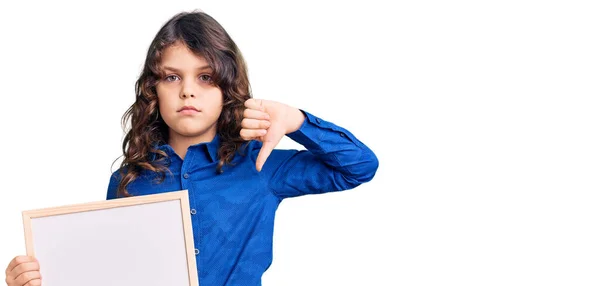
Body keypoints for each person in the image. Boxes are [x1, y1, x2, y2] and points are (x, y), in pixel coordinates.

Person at [4, 10, 378, 286]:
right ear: (154, 91)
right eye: (171, 77)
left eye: (205, 77)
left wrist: (296, 120)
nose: (187, 90)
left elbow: (359, 167)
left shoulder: (260, 165)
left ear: (226, 88)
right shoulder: (128, 180)